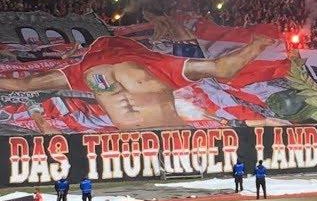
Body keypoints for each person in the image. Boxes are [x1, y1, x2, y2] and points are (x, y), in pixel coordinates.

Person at [0, 35, 275, 130]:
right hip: (167, 135)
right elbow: (222, 68)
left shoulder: (80, 70)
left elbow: (23, 85)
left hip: (131, 142)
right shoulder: (158, 63)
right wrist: (256, 47)